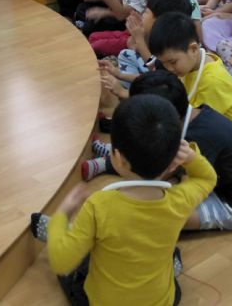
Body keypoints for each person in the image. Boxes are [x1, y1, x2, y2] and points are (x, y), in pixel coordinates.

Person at [33, 95, 216, 305]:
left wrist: (62, 214)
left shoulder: (98, 206)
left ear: (118, 158)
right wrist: (192, 158)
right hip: (160, 300)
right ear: (173, 162)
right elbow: (207, 178)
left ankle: (59, 231)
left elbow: (61, 261)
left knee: (79, 268)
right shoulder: (180, 200)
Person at [85, 71, 232, 233]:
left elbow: (164, 173)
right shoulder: (191, 116)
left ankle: (109, 160)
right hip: (217, 181)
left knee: (152, 215)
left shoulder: (198, 137)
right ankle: (109, 158)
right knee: (152, 186)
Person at [149, 12, 232, 129]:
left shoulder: (213, 81)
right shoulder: (192, 65)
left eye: (172, 62)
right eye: (164, 63)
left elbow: (200, 124)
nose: (169, 68)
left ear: (194, 49)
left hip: (218, 136)